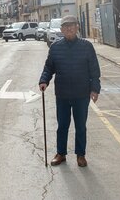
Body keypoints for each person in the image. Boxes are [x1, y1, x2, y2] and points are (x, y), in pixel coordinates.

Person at [38, 15, 101, 167]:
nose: (69, 29)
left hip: (81, 94)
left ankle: (81, 155)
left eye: (71, 26)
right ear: (61, 30)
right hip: (62, 94)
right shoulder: (55, 47)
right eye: (65, 27)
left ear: (77, 27)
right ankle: (61, 154)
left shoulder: (86, 47)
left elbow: (94, 70)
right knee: (62, 125)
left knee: (80, 126)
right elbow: (49, 68)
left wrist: (95, 89)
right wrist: (44, 80)